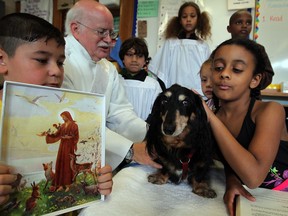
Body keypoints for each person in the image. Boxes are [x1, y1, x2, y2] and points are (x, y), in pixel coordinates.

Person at [0, 12, 113, 206]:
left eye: (60, 62)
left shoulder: (59, 114)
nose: (56, 71)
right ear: (2, 60)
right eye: (42, 60)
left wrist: (99, 181)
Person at [62, 0, 161, 170]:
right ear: (75, 29)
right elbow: (75, 122)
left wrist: (155, 136)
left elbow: (121, 114)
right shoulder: (59, 63)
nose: (109, 40)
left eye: (111, 33)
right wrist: (129, 150)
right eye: (101, 32)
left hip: (98, 156)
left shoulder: (107, 68)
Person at [203, 38, 288, 216]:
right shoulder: (216, 117)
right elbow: (228, 160)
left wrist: (209, 116)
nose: (224, 74)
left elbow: (254, 176)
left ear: (255, 80)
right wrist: (232, 180)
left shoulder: (271, 111)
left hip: (281, 194)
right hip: (250, 200)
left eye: (237, 69)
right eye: (218, 67)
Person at [148, 1, 211, 95]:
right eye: (184, 16)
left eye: (192, 16)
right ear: (180, 21)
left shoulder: (203, 46)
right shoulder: (171, 44)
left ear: (199, 19)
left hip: (198, 94)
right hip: (175, 94)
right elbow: (161, 71)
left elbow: (208, 72)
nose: (188, 19)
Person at [227, 9, 274, 89]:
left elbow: (268, 75)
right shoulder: (222, 49)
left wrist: (248, 82)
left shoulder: (258, 49)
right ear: (229, 28)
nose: (244, 26)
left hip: (251, 97)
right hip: (225, 96)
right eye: (239, 22)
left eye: (248, 23)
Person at [118, 37, 163, 121]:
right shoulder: (116, 81)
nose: (134, 60)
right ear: (123, 58)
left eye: (139, 56)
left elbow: (157, 111)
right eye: (129, 55)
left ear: (145, 60)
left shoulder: (153, 85)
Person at [40, 111, 79, 192]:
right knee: (61, 163)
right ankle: (60, 184)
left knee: (68, 164)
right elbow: (56, 135)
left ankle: (68, 184)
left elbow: (76, 136)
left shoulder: (74, 125)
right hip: (63, 146)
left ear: (68, 116)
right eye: (62, 117)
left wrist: (70, 138)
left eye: (63, 117)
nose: (63, 118)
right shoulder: (62, 126)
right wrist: (48, 134)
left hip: (69, 146)